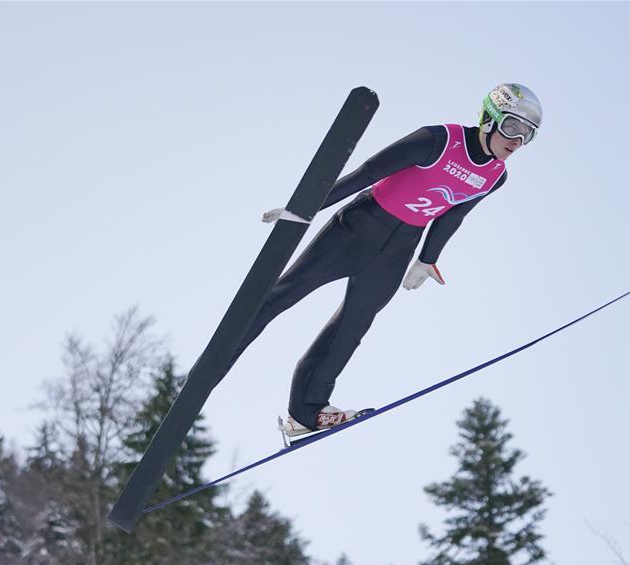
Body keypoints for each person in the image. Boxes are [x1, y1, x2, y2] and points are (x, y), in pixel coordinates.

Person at [222, 83, 542, 440]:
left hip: (398, 249)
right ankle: (220, 357)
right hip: (359, 226)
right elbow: (367, 172)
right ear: (489, 118)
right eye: (512, 127)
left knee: (353, 326)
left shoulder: (496, 176)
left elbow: (453, 215)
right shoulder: (438, 139)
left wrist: (426, 259)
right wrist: (307, 206)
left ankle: (305, 413)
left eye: (527, 134)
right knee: (287, 293)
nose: (517, 140)